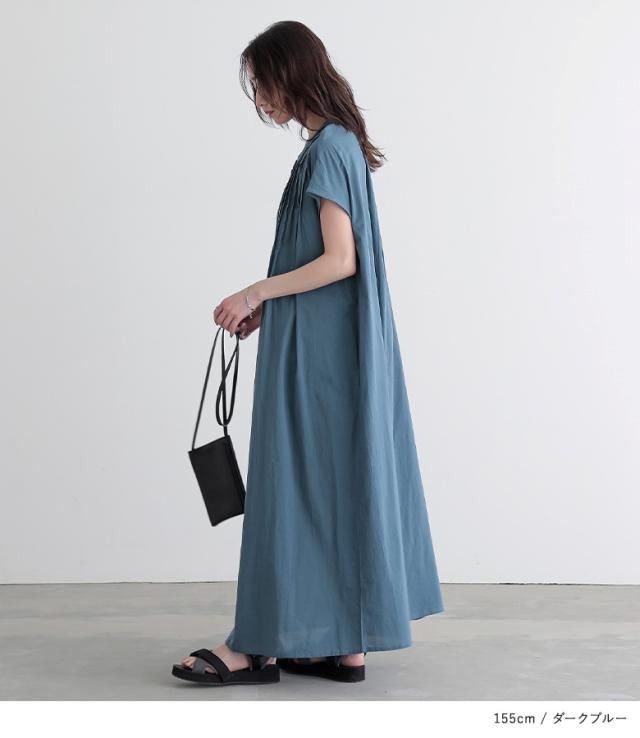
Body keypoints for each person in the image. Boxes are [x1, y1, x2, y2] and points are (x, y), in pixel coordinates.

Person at [172, 20, 444, 687]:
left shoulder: (327, 150)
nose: (261, 99)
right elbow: (327, 262)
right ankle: (342, 646)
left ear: (291, 75)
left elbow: (340, 260)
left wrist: (255, 290)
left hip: (318, 358)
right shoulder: (339, 146)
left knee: (289, 486)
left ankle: (255, 644)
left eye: (264, 84)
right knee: (329, 483)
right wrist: (272, 310)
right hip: (329, 346)